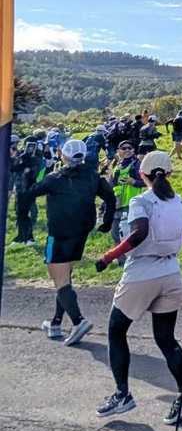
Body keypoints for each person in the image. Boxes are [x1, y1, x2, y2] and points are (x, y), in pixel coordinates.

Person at [93, 151, 182, 424]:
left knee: (116, 331)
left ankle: (122, 394)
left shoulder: (141, 201)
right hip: (171, 272)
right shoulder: (180, 202)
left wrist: (108, 257)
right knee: (166, 338)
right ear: (169, 173)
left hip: (142, 273)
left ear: (142, 174)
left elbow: (139, 233)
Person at [30, 139, 116, 345]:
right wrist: (107, 221)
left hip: (58, 234)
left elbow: (31, 190)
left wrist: (38, 170)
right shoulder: (93, 176)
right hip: (81, 233)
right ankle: (56, 323)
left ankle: (78, 321)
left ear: (63, 155)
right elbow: (110, 197)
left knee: (60, 281)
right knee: (65, 278)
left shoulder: (55, 177)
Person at [109, 140, 143, 242]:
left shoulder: (137, 164)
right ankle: (119, 252)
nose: (127, 150)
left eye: (130, 148)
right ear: (118, 151)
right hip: (117, 204)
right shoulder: (116, 166)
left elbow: (147, 182)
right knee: (115, 234)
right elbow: (111, 186)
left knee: (128, 235)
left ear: (133, 150)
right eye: (124, 148)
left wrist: (134, 182)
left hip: (131, 205)